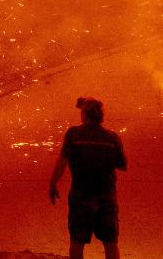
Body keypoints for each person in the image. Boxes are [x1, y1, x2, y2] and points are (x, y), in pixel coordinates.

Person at [49, 97, 127, 259]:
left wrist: (52, 183)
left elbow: (61, 162)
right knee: (111, 243)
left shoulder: (73, 134)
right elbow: (122, 165)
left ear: (85, 114)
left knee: (77, 241)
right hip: (106, 197)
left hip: (81, 196)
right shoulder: (112, 138)